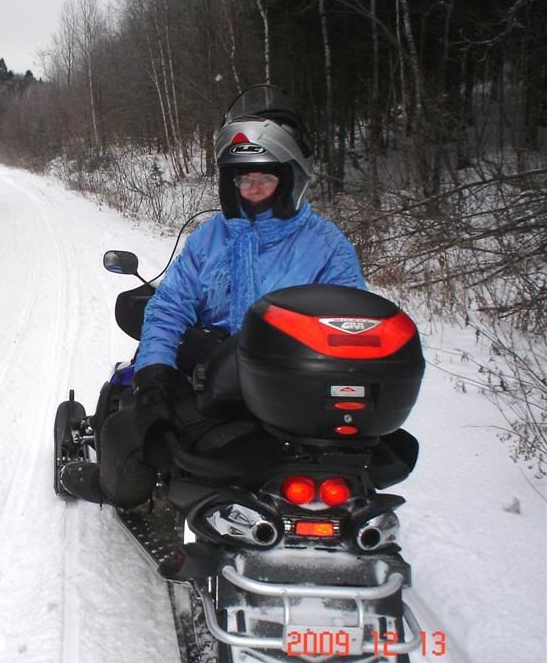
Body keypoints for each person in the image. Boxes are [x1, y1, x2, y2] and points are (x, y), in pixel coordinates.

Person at [59, 87, 367, 507]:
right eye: (244, 178)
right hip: (212, 383)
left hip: (296, 395)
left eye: (265, 177)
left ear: (289, 177)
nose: (254, 188)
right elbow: (169, 307)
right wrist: (154, 371)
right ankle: (133, 486)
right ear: (230, 180)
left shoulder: (327, 246)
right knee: (130, 430)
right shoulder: (209, 240)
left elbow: (350, 322)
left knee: (122, 434)